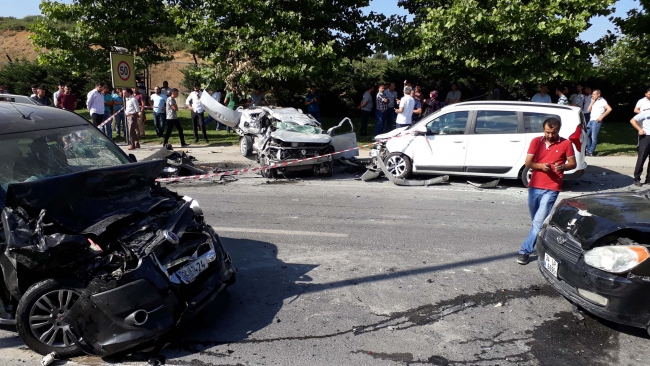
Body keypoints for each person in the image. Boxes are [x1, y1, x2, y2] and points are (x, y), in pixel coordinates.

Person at [517, 118, 576, 265]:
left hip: (552, 187)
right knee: (536, 221)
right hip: (535, 185)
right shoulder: (536, 141)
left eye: (553, 132)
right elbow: (528, 163)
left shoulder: (566, 143)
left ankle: (524, 251)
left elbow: (573, 163)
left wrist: (563, 167)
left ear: (559, 130)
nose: (550, 135)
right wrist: (541, 166)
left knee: (538, 222)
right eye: (547, 132)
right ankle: (544, 242)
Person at [586, 89, 613, 156]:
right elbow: (588, 110)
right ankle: (588, 149)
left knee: (594, 137)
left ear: (598, 95)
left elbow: (609, 109)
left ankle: (591, 151)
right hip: (591, 120)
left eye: (594, 94)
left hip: (596, 121)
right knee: (587, 135)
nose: (593, 95)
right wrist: (592, 102)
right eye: (592, 94)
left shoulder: (602, 101)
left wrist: (601, 117)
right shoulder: (593, 101)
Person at [630, 110, 650, 186]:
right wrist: (640, 129)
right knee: (641, 158)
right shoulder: (646, 113)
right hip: (646, 137)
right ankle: (637, 179)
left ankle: (648, 179)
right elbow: (633, 120)